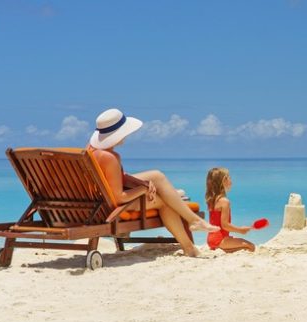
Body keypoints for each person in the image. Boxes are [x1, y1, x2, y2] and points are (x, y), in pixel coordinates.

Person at [87, 108, 218, 257]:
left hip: (95, 201)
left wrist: (141, 183)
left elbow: (115, 177)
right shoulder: (110, 157)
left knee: (156, 176)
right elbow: (119, 198)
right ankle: (190, 246)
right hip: (110, 207)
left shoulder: (91, 151)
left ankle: (192, 219)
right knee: (164, 202)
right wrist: (143, 190)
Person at [204, 167, 256, 253]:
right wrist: (240, 230)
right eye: (229, 177)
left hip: (211, 239)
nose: (231, 179)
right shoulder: (224, 201)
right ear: (223, 181)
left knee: (245, 247)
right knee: (251, 246)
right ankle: (224, 249)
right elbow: (225, 225)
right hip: (220, 239)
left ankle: (223, 249)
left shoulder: (212, 200)